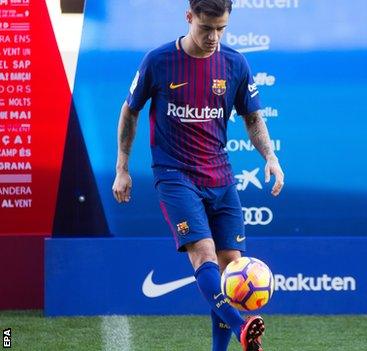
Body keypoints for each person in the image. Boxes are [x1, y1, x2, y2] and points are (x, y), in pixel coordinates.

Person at [111, 0, 284, 350]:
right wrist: (122, 168)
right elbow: (130, 111)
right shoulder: (159, 61)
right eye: (207, 28)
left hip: (219, 176)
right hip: (174, 175)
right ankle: (241, 328)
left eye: (221, 28)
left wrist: (271, 157)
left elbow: (252, 118)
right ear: (189, 18)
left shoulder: (235, 63)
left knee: (231, 270)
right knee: (203, 255)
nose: (214, 37)